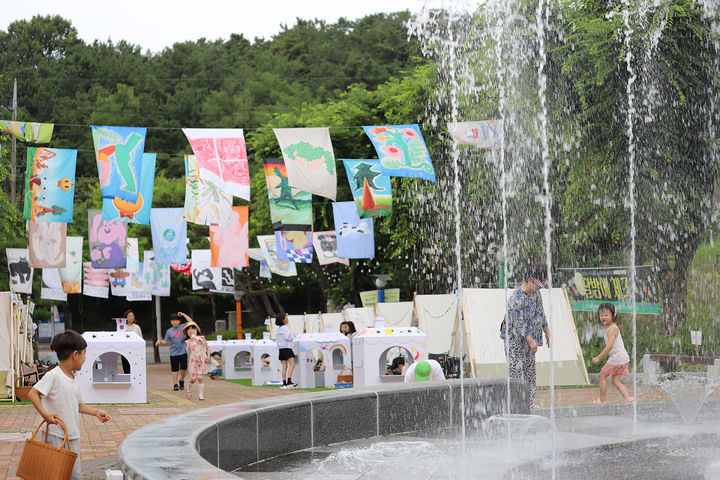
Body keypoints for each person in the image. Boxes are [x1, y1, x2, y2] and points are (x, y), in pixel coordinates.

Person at [27, 330, 112, 480]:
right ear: (75, 354)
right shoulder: (53, 375)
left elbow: (79, 406)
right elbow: (32, 393)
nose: (85, 358)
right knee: (54, 474)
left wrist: (96, 412)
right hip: (55, 435)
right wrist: (45, 414)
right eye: (84, 354)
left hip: (73, 436)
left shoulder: (74, 378)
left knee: (73, 475)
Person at [501, 265, 550, 408]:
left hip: (530, 338)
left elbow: (541, 312)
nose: (539, 288)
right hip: (514, 338)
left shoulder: (536, 293)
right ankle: (514, 404)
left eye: (541, 286)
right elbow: (518, 323)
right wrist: (531, 341)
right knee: (515, 371)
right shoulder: (516, 297)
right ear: (529, 280)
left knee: (530, 370)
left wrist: (546, 330)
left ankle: (530, 402)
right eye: (538, 285)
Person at [592, 303, 633, 404]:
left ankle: (602, 400)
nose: (603, 317)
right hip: (623, 357)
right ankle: (628, 398)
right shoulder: (610, 327)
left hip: (617, 357)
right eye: (601, 315)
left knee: (602, 375)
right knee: (615, 381)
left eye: (606, 315)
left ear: (613, 315)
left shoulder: (612, 329)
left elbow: (609, 346)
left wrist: (598, 357)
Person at [155, 312, 189, 391]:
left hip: (183, 352)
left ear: (179, 321)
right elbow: (166, 341)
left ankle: (182, 380)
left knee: (184, 369)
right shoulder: (169, 331)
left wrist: (183, 315)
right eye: (173, 321)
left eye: (176, 320)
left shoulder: (183, 327)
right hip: (173, 353)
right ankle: (175, 384)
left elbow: (191, 322)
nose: (175, 322)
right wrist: (160, 341)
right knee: (174, 369)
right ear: (171, 322)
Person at [183, 321, 210, 400]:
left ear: (196, 329)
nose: (191, 330)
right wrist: (193, 339)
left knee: (200, 377)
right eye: (189, 329)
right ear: (187, 332)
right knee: (193, 379)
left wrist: (208, 356)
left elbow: (207, 348)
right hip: (193, 361)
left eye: (192, 328)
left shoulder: (201, 338)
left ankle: (201, 395)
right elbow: (190, 350)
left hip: (201, 359)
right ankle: (189, 389)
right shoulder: (188, 342)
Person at [275, 313, 297, 389]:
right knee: (292, 364)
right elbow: (288, 337)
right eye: (286, 318)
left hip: (281, 349)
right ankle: (289, 381)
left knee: (284, 366)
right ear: (283, 320)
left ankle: (284, 383)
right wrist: (293, 336)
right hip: (287, 348)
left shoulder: (279, 329)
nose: (287, 319)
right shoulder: (285, 328)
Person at [121, 309, 142, 374]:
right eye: (129, 316)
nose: (131, 317)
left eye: (132, 316)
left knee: (134, 370)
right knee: (126, 370)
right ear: (126, 317)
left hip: (135, 351)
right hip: (125, 351)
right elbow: (120, 339)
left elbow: (141, 339)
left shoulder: (137, 327)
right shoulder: (122, 327)